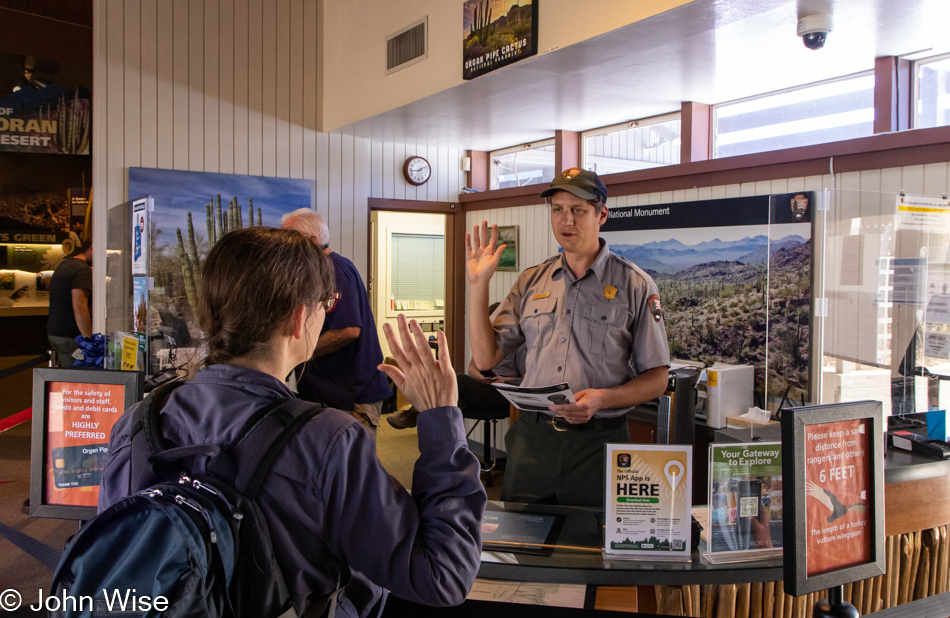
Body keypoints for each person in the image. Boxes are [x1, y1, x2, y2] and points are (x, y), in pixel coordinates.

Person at [99, 227, 486, 618]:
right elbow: (443, 576)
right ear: (299, 319)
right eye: (327, 303)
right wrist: (442, 424)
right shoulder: (328, 440)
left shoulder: (138, 423)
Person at [467, 167, 670, 506]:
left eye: (578, 210)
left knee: (591, 549)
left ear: (601, 214)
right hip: (534, 440)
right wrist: (477, 286)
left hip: (599, 444)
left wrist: (602, 399)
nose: (566, 221)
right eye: (557, 209)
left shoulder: (635, 284)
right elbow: (486, 360)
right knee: (522, 541)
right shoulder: (531, 281)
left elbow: (658, 379)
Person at [281, 208, 393, 439]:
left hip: (353, 395)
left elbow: (348, 330)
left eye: (290, 237)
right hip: (324, 393)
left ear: (312, 241)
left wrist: (297, 353)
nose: (285, 245)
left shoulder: (336, 269)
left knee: (352, 471)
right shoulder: (312, 272)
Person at [388, 302, 525, 430]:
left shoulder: (518, 345)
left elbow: (527, 380)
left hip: (505, 395)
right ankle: (441, 447)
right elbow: (472, 368)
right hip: (484, 388)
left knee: (458, 380)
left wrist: (503, 380)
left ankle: (412, 415)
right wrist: (480, 377)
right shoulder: (486, 344)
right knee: (453, 404)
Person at [46, 238, 93, 365]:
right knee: (80, 379)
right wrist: (89, 340)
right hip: (71, 335)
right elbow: (80, 307)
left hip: (55, 332)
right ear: (92, 248)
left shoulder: (64, 264)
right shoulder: (83, 270)